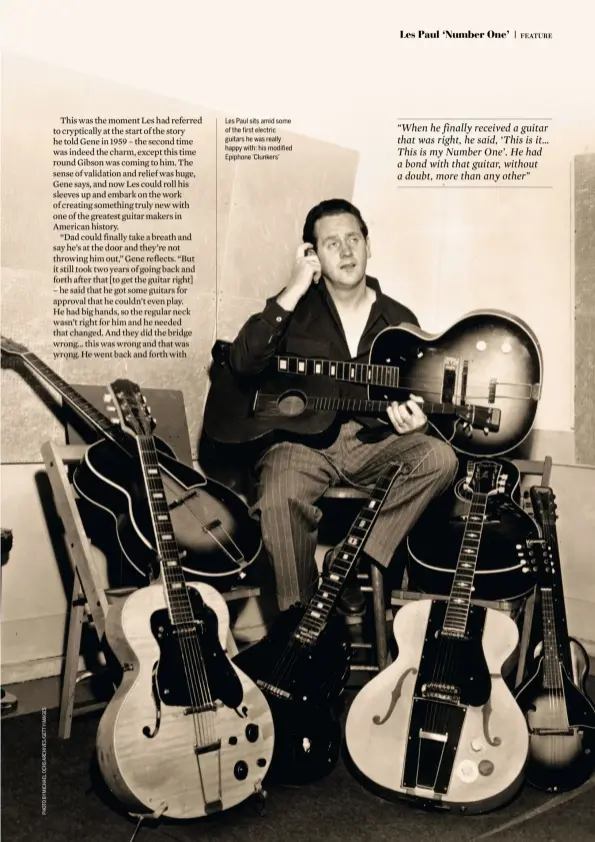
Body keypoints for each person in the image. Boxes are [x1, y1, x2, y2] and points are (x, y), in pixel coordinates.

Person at [229, 198, 458, 613]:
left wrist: (417, 424)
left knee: (440, 458)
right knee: (278, 493)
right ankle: (299, 629)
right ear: (312, 255)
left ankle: (348, 564)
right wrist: (294, 287)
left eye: (354, 238)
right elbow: (243, 361)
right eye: (331, 243)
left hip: (375, 442)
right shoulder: (293, 308)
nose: (347, 250)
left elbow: (417, 394)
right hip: (301, 445)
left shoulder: (400, 319)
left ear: (368, 245)